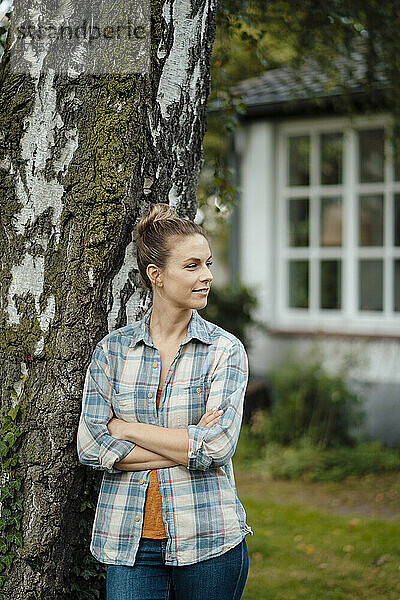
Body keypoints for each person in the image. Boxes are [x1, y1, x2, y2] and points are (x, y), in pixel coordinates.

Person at [77, 202, 253, 600]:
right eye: (192, 266)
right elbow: (90, 447)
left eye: (207, 263)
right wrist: (188, 443)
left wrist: (124, 430)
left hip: (210, 539)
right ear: (156, 276)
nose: (207, 276)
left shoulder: (224, 350)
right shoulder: (113, 351)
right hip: (129, 542)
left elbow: (218, 445)